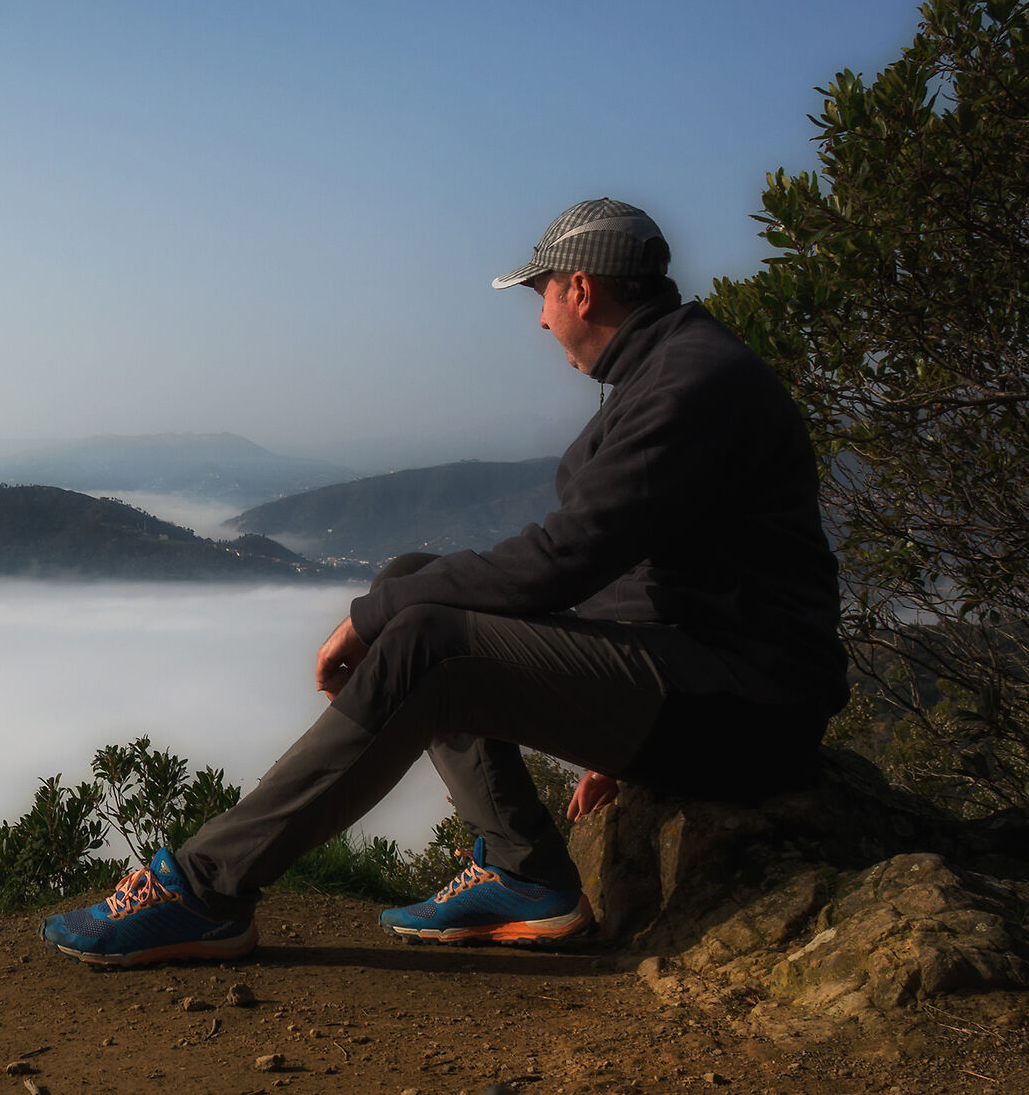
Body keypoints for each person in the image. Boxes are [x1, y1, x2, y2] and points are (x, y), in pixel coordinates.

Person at [42, 199, 845, 967]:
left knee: (426, 632)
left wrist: (378, 614)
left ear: (581, 289)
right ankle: (522, 869)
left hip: (746, 709)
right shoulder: (673, 370)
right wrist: (613, 711)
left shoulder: (686, 386)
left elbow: (567, 560)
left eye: (541, 295)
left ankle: (206, 890)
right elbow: (656, 567)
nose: (539, 319)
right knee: (416, 577)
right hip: (700, 680)